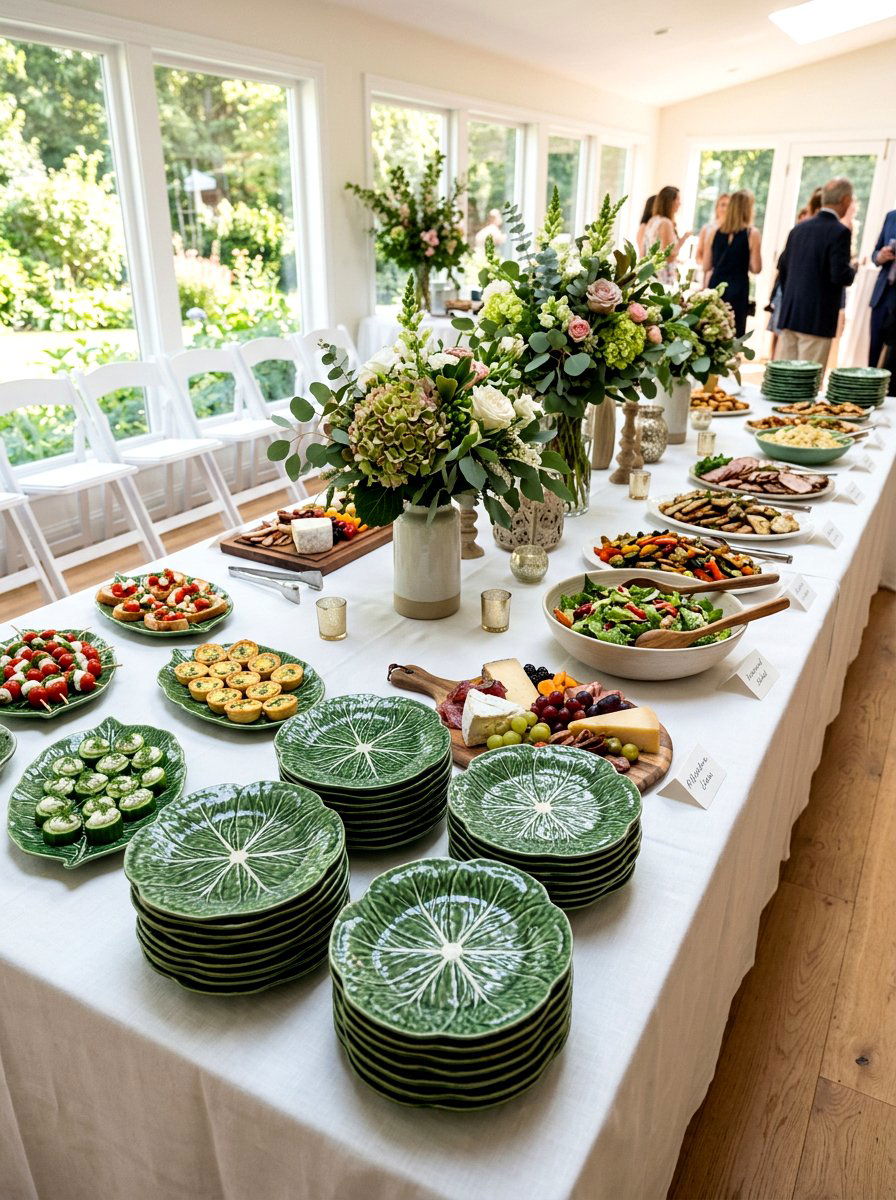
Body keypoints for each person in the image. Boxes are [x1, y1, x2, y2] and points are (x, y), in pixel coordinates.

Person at [774, 177, 857, 371]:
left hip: (790, 314)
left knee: (785, 377)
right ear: (845, 200)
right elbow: (840, 275)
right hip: (818, 319)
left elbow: (782, 268)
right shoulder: (840, 232)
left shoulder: (798, 229)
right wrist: (853, 269)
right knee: (808, 380)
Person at [707, 190, 762, 337]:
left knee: (711, 332)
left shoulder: (714, 232)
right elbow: (756, 268)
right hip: (738, 289)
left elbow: (706, 265)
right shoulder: (752, 233)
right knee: (733, 334)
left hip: (716, 287)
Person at [643, 186, 691, 286]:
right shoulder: (666, 223)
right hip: (663, 275)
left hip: (651, 272)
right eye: (677, 199)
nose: (680, 203)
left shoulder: (653, 220)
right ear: (670, 201)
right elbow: (668, 255)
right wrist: (683, 240)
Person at [868, 205, 896, 368]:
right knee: (873, 352)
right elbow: (875, 253)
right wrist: (880, 256)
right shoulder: (891, 216)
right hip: (882, 295)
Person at [696, 193, 729, 282]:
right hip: (707, 276)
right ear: (717, 208)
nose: (725, 208)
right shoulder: (707, 228)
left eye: (728, 206)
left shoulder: (734, 231)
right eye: (723, 205)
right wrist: (707, 267)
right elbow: (699, 254)